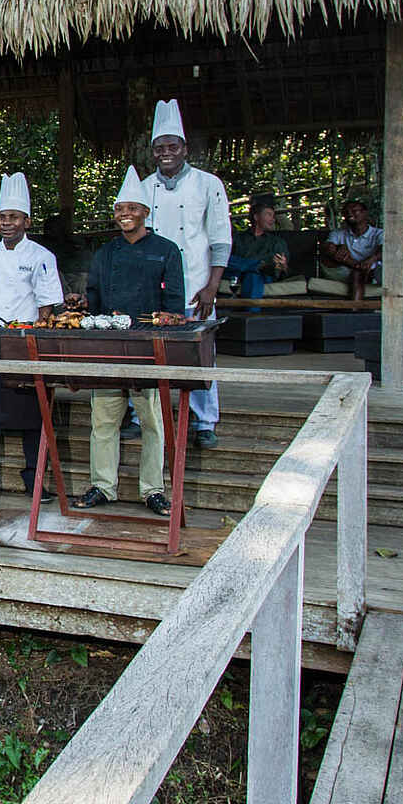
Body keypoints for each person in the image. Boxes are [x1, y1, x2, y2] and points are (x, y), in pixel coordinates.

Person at [72, 168, 187, 517]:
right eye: (120, 209)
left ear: (145, 213)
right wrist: (81, 304)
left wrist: (171, 320)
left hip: (149, 347)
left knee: (153, 422)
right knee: (103, 422)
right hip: (109, 346)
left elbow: (176, 302)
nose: (124, 215)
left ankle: (153, 490)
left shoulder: (167, 250)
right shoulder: (106, 252)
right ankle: (103, 486)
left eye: (131, 209)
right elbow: (93, 296)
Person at [0, 173, 63, 500]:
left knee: (33, 415)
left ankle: (35, 481)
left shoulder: (41, 258)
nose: (7, 223)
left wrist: (37, 345)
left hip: (23, 346)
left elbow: (47, 308)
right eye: (3, 217)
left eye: (14, 218)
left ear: (27, 221)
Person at [145, 99, 232, 449]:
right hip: (156, 287)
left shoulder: (208, 184)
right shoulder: (143, 186)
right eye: (159, 147)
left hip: (197, 283)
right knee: (152, 352)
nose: (166, 153)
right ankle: (144, 417)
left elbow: (220, 239)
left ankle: (204, 421)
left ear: (184, 148)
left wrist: (212, 285)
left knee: (199, 353)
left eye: (172, 146)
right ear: (153, 152)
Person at [228, 193, 292, 298]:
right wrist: (257, 265)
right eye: (268, 214)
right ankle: (257, 265)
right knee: (224, 258)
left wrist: (283, 265)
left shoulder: (277, 242)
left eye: (273, 216)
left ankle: (256, 267)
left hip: (262, 275)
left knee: (253, 275)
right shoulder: (237, 238)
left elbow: (282, 271)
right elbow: (226, 261)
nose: (273, 219)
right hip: (236, 274)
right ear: (256, 217)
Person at [321, 199, 384, 300]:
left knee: (358, 272)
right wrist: (340, 247)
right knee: (332, 250)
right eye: (346, 212)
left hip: (372, 272)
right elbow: (328, 248)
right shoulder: (338, 233)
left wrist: (372, 259)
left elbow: (385, 249)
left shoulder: (379, 233)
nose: (349, 214)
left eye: (354, 211)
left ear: (365, 213)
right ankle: (355, 310)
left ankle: (354, 310)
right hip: (345, 271)